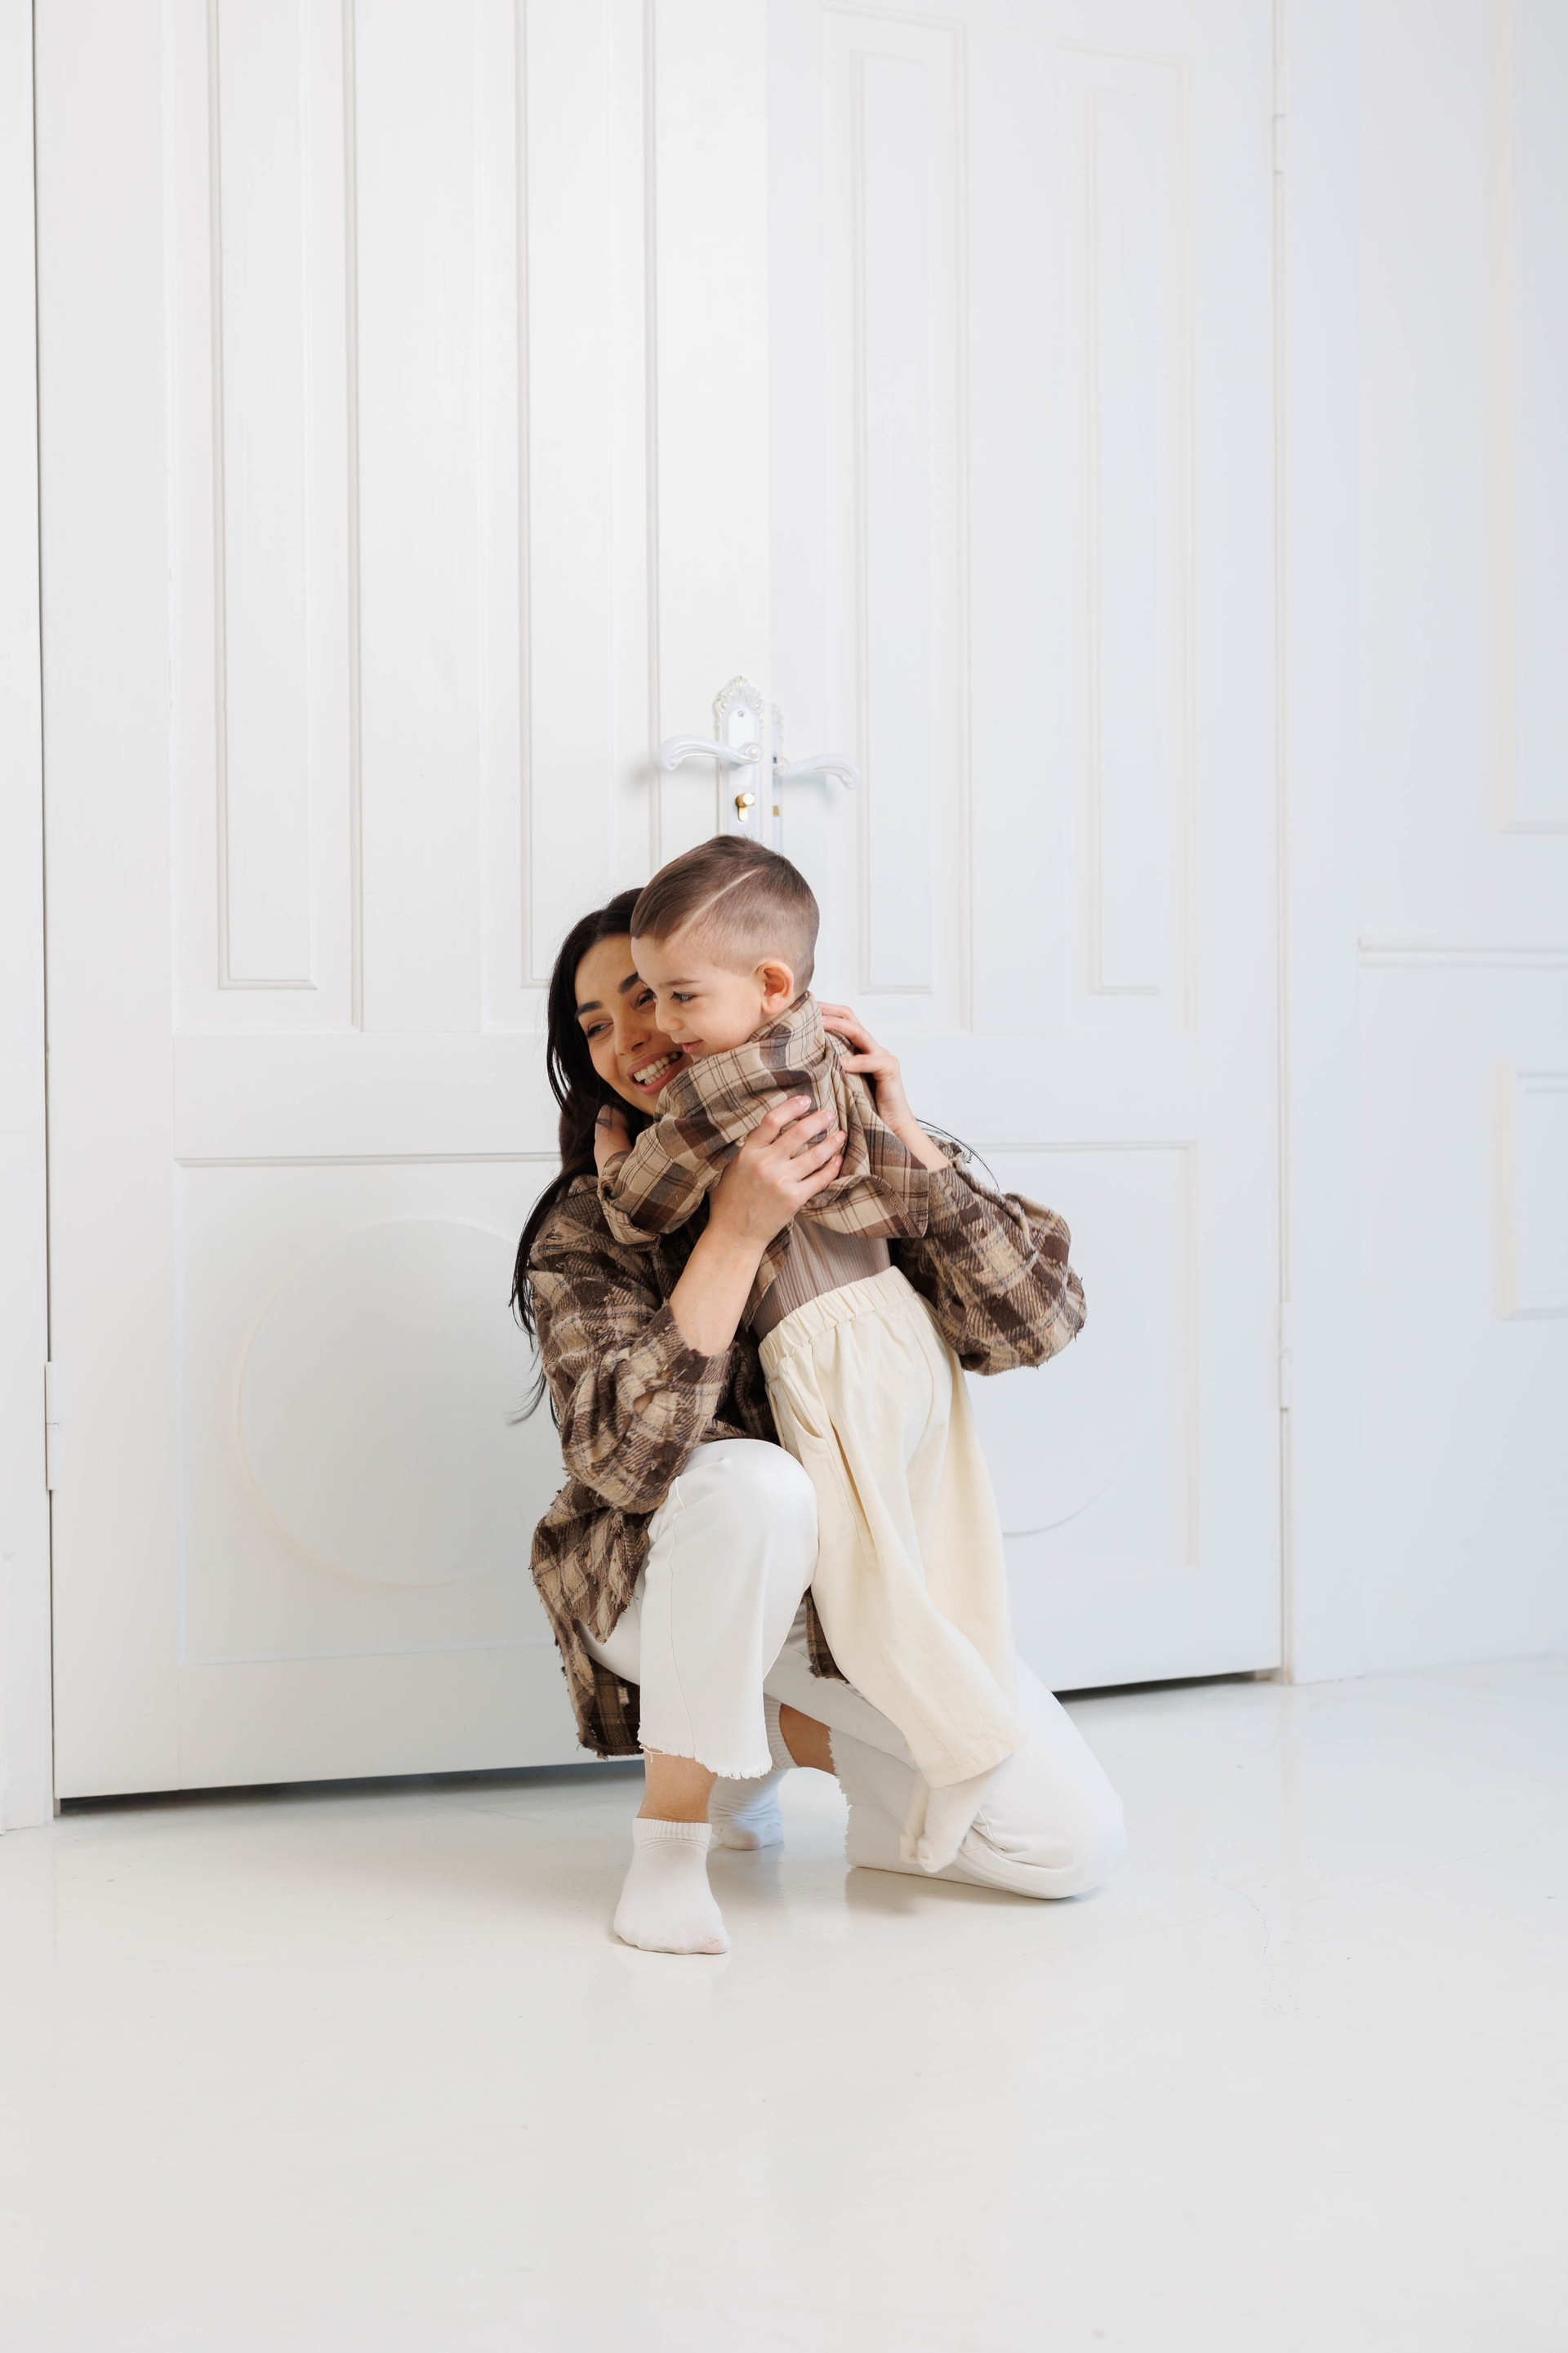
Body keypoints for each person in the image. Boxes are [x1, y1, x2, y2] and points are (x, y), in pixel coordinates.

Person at [512, 887, 1125, 1955]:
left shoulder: (848, 1139)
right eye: (596, 1024)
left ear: (757, 995)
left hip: (859, 1588)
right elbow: (625, 1461)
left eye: (650, 997)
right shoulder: (594, 1221)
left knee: (1069, 1846)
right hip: (664, 1577)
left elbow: (1033, 1324)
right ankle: (671, 1840)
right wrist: (735, 1233)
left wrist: (910, 1142)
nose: (630, 1038)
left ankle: (769, 1736)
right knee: (758, 1485)